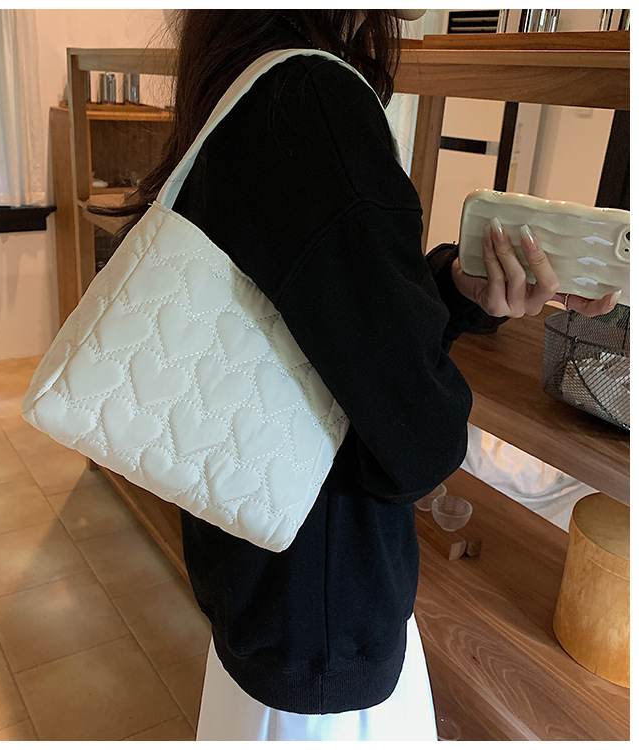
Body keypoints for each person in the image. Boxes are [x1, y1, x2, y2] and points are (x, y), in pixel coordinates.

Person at [103, 10, 619, 741]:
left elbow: (316, 317)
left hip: (265, 598)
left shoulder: (247, 77)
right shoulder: (315, 100)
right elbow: (418, 441)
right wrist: (422, 355)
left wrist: (449, 290)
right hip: (326, 638)